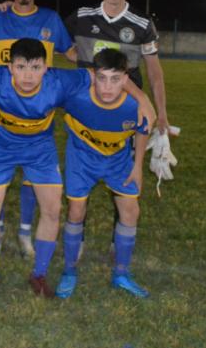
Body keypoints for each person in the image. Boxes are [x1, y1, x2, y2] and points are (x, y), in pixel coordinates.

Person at [0, 38, 155, 300]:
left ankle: (39, 274)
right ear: (9, 67)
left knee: (53, 210)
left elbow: (102, 74)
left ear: (47, 67)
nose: (28, 76)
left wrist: (141, 96)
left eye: (36, 68)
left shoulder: (60, 81)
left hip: (40, 150)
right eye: (21, 67)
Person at [0, 0, 76, 257]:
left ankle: (25, 232)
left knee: (30, 178)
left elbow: (71, 52)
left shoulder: (50, 19)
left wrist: (106, 67)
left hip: (38, 114)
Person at [55, 49, 150, 299]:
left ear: (126, 79)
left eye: (115, 79)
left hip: (117, 161)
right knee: (76, 211)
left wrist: (138, 165)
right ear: (92, 76)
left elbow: (143, 130)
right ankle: (69, 271)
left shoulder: (133, 106)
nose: (107, 87)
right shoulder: (76, 96)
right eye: (102, 78)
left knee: (131, 211)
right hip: (81, 160)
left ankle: (121, 273)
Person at [64, 0, 169, 133]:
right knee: (85, 153)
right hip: (88, 100)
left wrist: (162, 112)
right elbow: (59, 42)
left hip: (126, 102)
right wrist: (79, 56)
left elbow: (154, 72)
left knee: (124, 156)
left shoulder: (142, 24)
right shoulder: (82, 16)